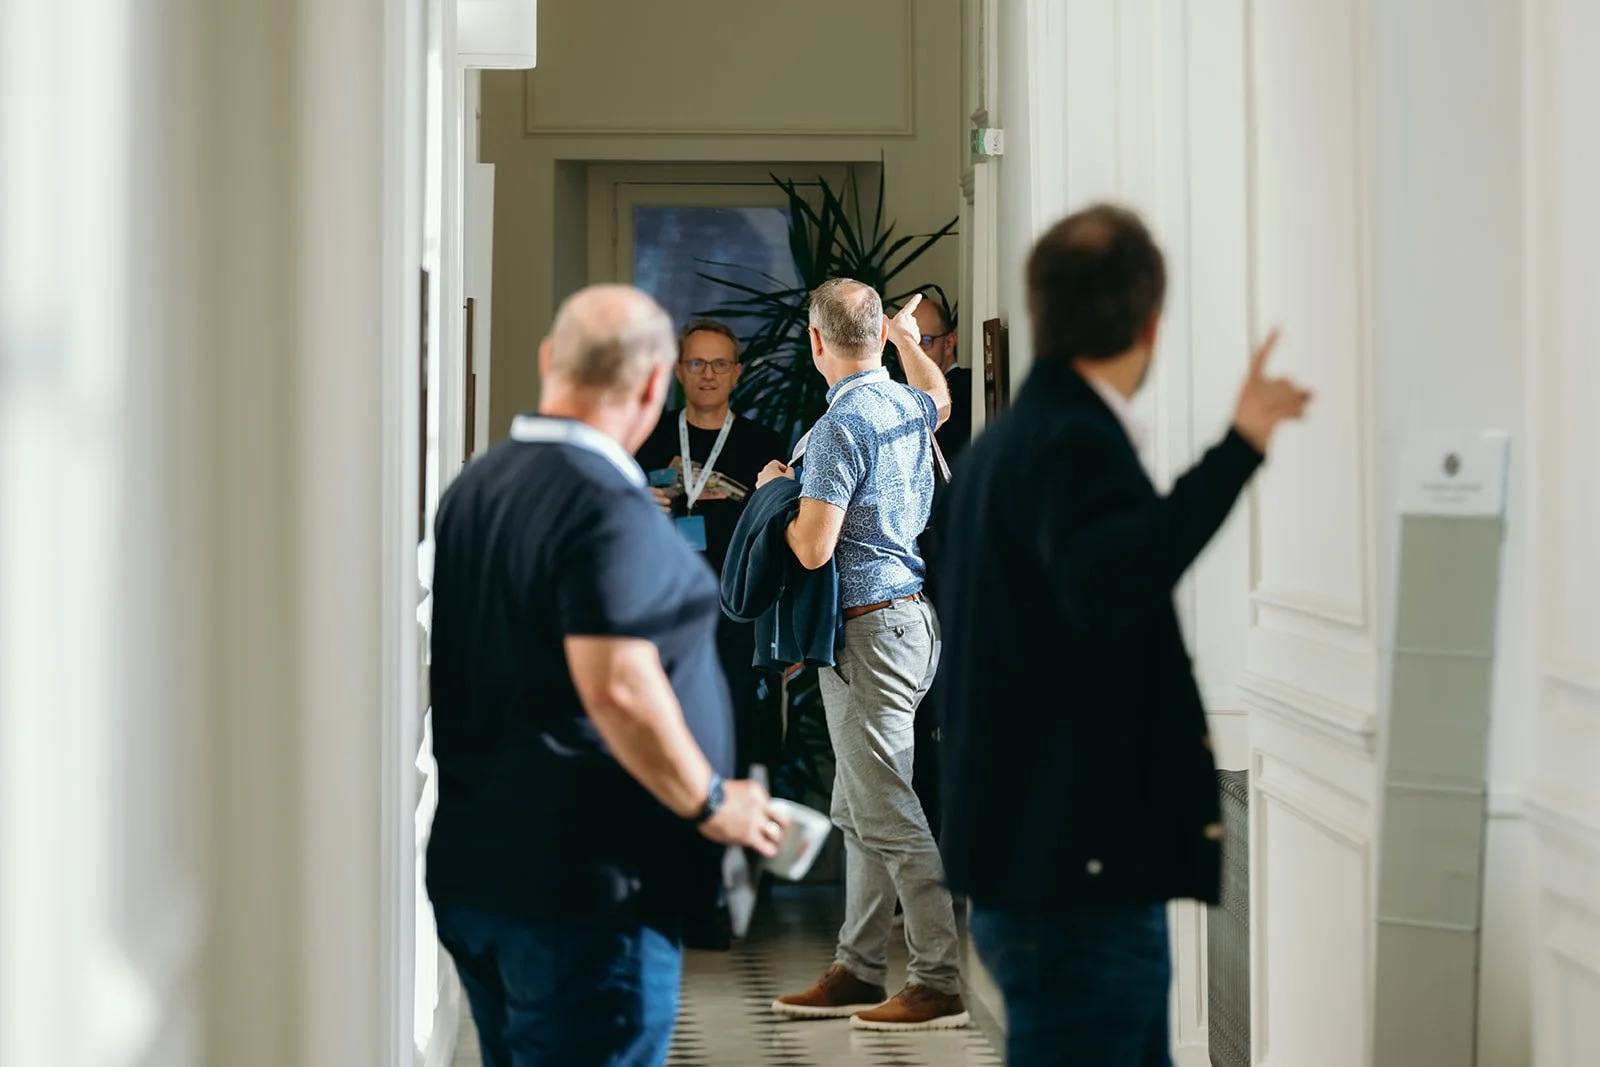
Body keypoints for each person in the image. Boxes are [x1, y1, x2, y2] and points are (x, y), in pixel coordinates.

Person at [935, 204, 1311, 1066]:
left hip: (1034, 859)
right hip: (1074, 875)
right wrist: (1239, 447)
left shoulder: (1002, 446)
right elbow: (1117, 576)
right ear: (1150, 325)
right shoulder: (1072, 442)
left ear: (1039, 312)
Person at [425, 284, 786, 1067]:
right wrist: (711, 800)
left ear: (549, 360)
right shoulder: (603, 502)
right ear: (658, 383)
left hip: (480, 866)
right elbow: (619, 685)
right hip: (583, 887)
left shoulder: (476, 486)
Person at [763, 280, 970, 1032]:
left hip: (868, 635)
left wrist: (776, 494)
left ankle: (938, 980)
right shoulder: (905, 406)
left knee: (889, 814)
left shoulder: (837, 428)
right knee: (858, 808)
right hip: (910, 625)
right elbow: (940, 397)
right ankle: (858, 967)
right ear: (879, 336)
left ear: (816, 341)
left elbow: (813, 548)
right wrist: (909, 340)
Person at [635, 319, 787, 779]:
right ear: (678, 370)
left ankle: (733, 818)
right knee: (666, 732)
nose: (708, 374)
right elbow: (608, 522)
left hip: (739, 614)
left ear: (737, 373)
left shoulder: (763, 444)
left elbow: (783, 536)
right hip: (664, 610)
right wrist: (635, 503)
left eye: (719, 364)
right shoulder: (645, 438)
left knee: (736, 729)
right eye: (697, 363)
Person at [911, 293, 971, 460]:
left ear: (949, 343)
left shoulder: (969, 389)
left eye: (925, 340)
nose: (914, 351)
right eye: (908, 342)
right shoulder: (901, 397)